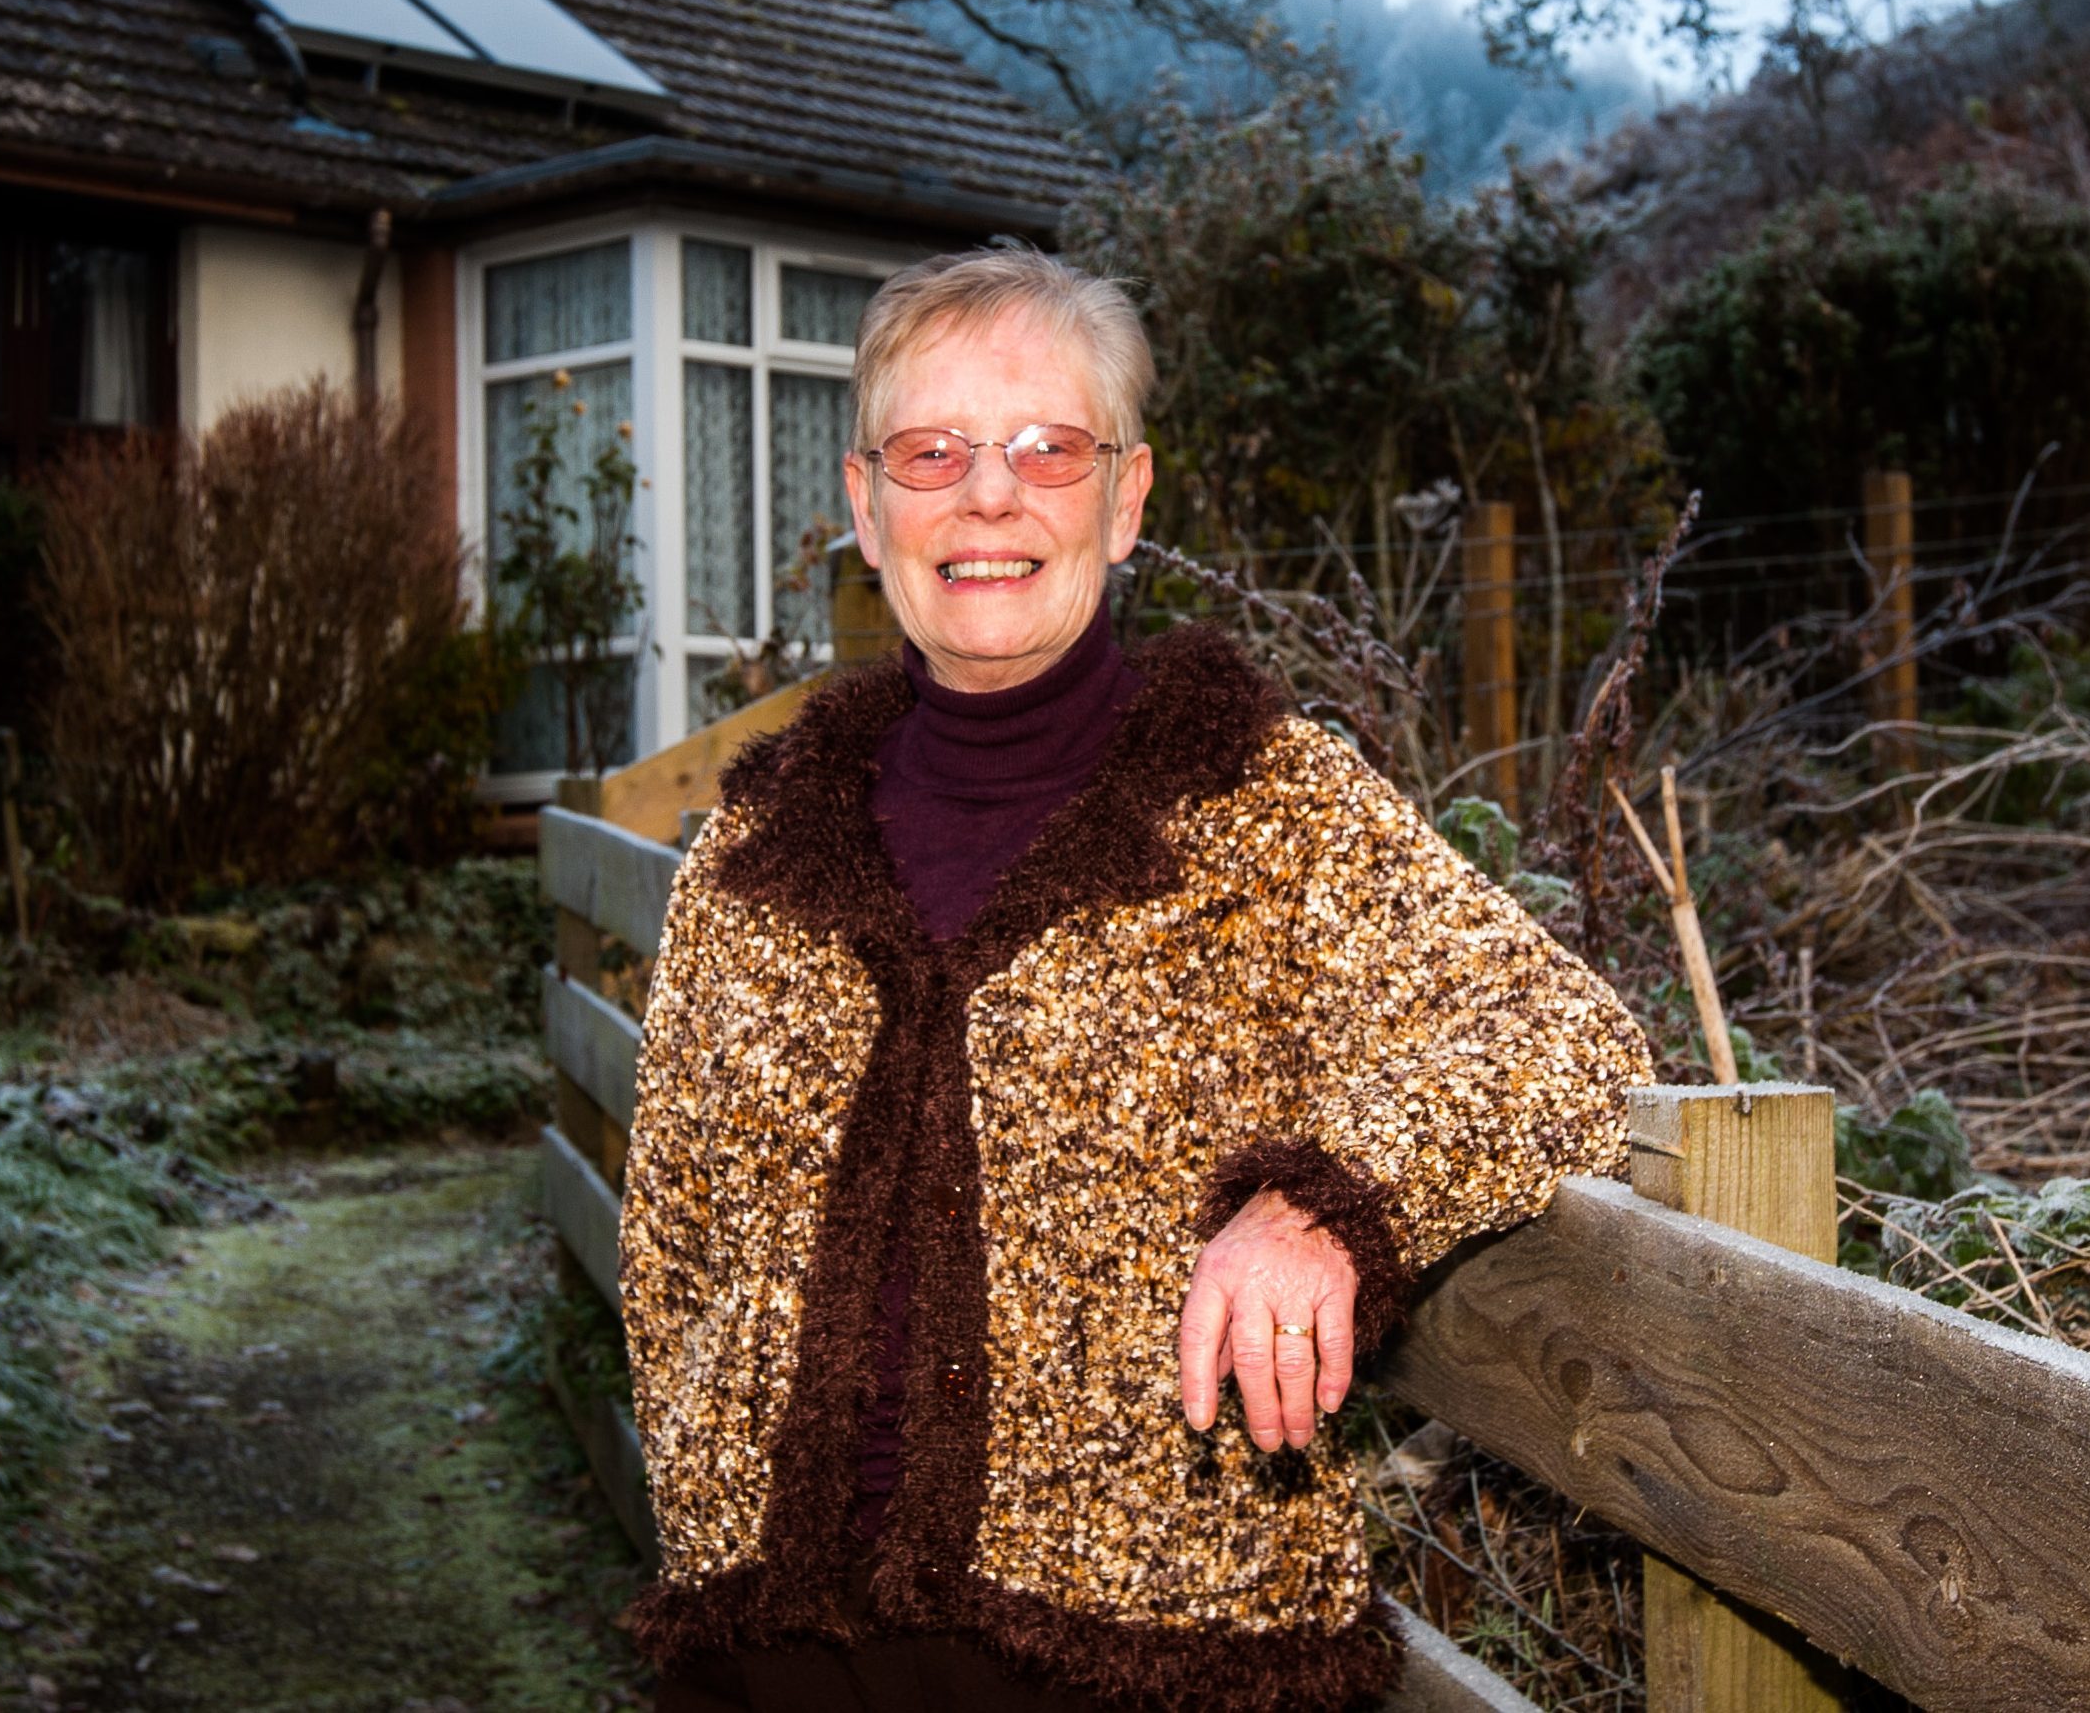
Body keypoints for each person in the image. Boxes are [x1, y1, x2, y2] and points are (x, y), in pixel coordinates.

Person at [616, 246, 1651, 1712]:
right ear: (865, 504)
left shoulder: (1266, 804)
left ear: (1126, 498)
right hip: (773, 1657)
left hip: (1153, 1660)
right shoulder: (753, 843)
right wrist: (713, 1516)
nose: (989, 494)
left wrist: (1322, 1202)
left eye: (1047, 446)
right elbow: (671, 1249)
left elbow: (1562, 1036)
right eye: (933, 451)